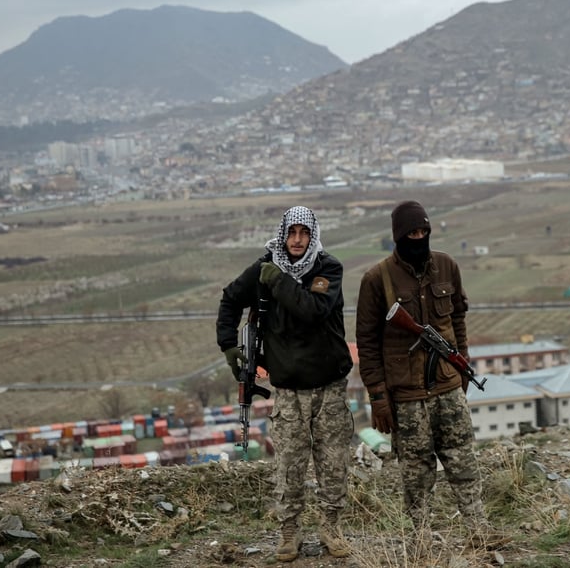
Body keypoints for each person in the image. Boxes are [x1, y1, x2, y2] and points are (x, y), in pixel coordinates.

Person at [355, 200, 506, 549]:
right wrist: (378, 396)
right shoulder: (377, 280)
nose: (418, 238)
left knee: (463, 459)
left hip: (448, 387)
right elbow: (366, 342)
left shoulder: (446, 267)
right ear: (398, 236)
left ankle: (479, 530)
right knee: (416, 473)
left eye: (423, 231)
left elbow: (457, 321)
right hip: (406, 396)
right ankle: (419, 540)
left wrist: (462, 365)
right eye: (411, 233)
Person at [216, 205, 354, 562]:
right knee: (290, 465)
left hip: (329, 386)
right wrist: (229, 346)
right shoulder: (264, 267)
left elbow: (312, 309)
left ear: (312, 236)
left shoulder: (328, 269)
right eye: (291, 233)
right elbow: (230, 299)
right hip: (289, 389)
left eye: (303, 233)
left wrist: (276, 279)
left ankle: (331, 529)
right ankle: (289, 533)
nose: (296, 240)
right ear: (283, 235)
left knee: (333, 462)